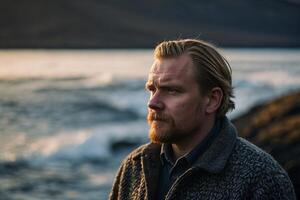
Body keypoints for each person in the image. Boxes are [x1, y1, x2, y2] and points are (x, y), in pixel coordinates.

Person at [109, 39, 296, 200]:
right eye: (152, 90)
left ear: (212, 100)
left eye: (172, 90)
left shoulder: (261, 178)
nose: (153, 103)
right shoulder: (134, 166)